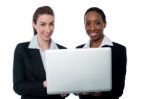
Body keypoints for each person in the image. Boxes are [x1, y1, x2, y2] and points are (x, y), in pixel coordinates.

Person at [13, 6, 67, 99]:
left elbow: (66, 86)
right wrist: (44, 84)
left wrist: (65, 91)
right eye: (43, 24)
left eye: (51, 24)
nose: (48, 29)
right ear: (34, 24)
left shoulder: (63, 51)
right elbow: (18, 87)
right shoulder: (22, 49)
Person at [76, 7, 127, 99]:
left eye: (97, 23)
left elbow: (119, 89)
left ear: (105, 24)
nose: (92, 28)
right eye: (88, 23)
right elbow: (75, 83)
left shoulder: (119, 50)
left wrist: (101, 93)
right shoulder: (78, 50)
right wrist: (78, 91)